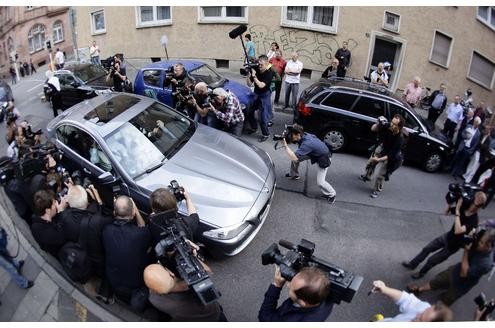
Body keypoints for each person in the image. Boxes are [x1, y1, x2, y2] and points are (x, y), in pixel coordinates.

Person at [402, 191, 486, 279]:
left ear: (478, 205)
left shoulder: (474, 220)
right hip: (447, 236)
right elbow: (446, 213)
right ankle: (412, 264)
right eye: (472, 201)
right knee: (427, 249)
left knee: (432, 260)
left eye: (475, 203)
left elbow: (458, 230)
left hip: (452, 246)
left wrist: (457, 211)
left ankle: (421, 273)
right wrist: (451, 203)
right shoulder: (463, 207)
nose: (472, 204)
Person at [407, 229, 495, 306]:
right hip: (455, 270)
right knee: (437, 281)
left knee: (443, 302)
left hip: (460, 285)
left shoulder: (485, 263)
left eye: (481, 242)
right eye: (480, 240)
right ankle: (419, 290)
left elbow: (464, 273)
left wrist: (466, 251)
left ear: (489, 246)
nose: (478, 243)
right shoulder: (479, 245)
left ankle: (429, 314)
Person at [103, 195, 152, 308]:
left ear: (114, 213)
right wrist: (137, 212)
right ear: (133, 213)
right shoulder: (141, 235)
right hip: (136, 282)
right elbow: (143, 228)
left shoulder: (107, 230)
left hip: (112, 278)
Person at [59, 183, 113, 279]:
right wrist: (99, 202)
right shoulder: (97, 220)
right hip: (97, 258)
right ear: (86, 199)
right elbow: (111, 218)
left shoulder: (64, 216)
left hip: (82, 256)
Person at [144, 263, 226, 321]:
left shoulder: (153, 299)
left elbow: (155, 284)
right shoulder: (195, 284)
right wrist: (194, 256)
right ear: (171, 274)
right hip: (215, 315)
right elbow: (208, 273)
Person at [282, 124, 336, 203]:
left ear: (298, 134)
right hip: (313, 152)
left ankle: (332, 194)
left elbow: (293, 157)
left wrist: (285, 146)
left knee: (320, 182)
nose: (291, 136)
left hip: (324, 158)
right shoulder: (304, 134)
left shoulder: (307, 144)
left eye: (292, 135)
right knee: (296, 160)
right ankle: (294, 174)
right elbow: (296, 155)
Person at [258, 266, 333, 322]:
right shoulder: (324, 293)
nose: (288, 284)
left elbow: (264, 317)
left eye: (291, 288)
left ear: (303, 303)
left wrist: (277, 286)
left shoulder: (290, 320)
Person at [360, 115, 405, 198]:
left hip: (392, 156)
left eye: (394, 124)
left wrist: (378, 159)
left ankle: (376, 190)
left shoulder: (400, 139)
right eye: (391, 122)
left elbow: (390, 155)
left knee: (381, 174)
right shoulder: (388, 125)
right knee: (371, 161)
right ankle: (368, 176)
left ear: (399, 127)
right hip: (384, 147)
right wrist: (378, 124)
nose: (391, 124)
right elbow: (373, 129)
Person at [369, 280, 452, 321]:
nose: (418, 314)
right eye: (424, 311)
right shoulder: (424, 309)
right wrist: (385, 289)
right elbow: (405, 299)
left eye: (421, 319)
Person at [30, 189, 67, 257]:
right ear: (47, 210)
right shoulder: (45, 232)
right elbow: (62, 238)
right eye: (53, 203)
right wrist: (61, 212)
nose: (56, 203)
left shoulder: (38, 217)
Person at [246, 55, 273, 142]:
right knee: (249, 111)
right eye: (259, 64)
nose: (259, 66)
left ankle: (266, 134)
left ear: (267, 64)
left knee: (262, 117)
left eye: (261, 65)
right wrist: (248, 75)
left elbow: (261, 85)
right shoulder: (256, 69)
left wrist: (254, 76)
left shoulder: (269, 73)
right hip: (256, 94)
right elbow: (249, 84)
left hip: (264, 95)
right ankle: (254, 128)